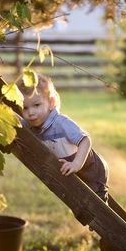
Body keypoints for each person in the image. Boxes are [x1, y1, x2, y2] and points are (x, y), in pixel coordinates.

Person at [18, 73, 109, 204]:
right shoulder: (30, 124)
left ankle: (105, 220)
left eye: (36, 105)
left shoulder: (61, 123)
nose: (31, 112)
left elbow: (85, 140)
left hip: (91, 170)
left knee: (98, 205)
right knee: (80, 204)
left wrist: (76, 164)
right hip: (71, 171)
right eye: (25, 108)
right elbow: (19, 126)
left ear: (51, 103)